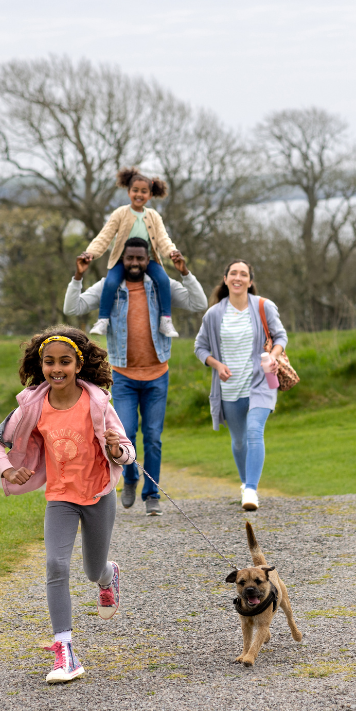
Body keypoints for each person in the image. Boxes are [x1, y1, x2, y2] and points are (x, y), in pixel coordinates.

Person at [0, 327, 135, 684]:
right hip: (61, 497)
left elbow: (127, 450)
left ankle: (108, 576)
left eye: (64, 362)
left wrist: (116, 450)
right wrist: (7, 469)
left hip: (98, 495)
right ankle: (64, 651)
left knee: (91, 569)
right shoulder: (32, 405)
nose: (56, 369)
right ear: (41, 365)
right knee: (55, 563)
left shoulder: (98, 402)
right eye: (48, 362)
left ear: (78, 365)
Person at [64, 237, 208, 515]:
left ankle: (151, 493)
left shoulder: (160, 286)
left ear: (148, 260)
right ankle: (130, 479)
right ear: (121, 259)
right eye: (129, 258)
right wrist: (78, 276)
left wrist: (185, 272)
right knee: (126, 433)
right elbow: (72, 308)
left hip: (157, 375)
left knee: (153, 437)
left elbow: (198, 302)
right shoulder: (110, 288)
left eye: (140, 259)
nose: (134, 263)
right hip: (124, 377)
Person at [194, 260, 287, 512]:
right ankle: (245, 483)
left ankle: (251, 490)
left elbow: (280, 336)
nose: (238, 277)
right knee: (238, 441)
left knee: (255, 430)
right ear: (225, 279)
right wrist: (216, 364)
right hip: (230, 389)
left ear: (250, 281)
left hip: (261, 382)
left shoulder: (263, 306)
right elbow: (199, 347)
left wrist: (275, 356)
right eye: (233, 273)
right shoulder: (213, 314)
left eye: (243, 274)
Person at [79, 168, 182, 338]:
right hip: (122, 260)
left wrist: (171, 252)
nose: (139, 194)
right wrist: (91, 253)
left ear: (150, 195)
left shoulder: (154, 216)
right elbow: (105, 236)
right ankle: (103, 320)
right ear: (128, 192)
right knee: (111, 282)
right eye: (135, 190)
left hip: (147, 260)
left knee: (163, 280)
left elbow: (163, 238)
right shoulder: (120, 213)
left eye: (144, 191)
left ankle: (166, 319)